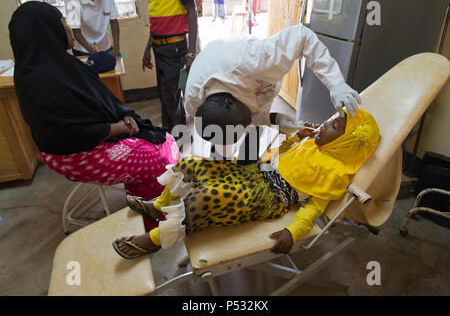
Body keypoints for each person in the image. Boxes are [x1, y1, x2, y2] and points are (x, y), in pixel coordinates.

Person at [112, 108, 379, 259]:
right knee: (191, 163)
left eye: (332, 127)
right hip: (255, 170)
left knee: (207, 197)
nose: (321, 126)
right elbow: (280, 156)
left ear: (347, 143)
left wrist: (293, 232)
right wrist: (294, 138)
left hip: (268, 196)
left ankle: (156, 238)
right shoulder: (311, 144)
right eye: (327, 119)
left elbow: (313, 209)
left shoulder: (335, 174)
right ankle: (160, 206)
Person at [9, 2, 180, 207]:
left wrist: (123, 115)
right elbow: (72, 133)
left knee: (164, 140)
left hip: (90, 140)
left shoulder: (59, 66)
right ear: (46, 30)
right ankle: (152, 213)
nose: (67, 27)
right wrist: (120, 126)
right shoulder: (41, 81)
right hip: (75, 155)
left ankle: (147, 201)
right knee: (161, 158)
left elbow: (102, 102)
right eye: (62, 21)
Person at [185, 23, 362, 164]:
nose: (249, 122)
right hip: (216, 68)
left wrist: (336, 83)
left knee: (252, 145)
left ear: (229, 102)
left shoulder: (256, 60)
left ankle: (249, 168)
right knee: (220, 158)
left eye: (247, 120)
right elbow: (238, 123)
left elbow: (302, 36)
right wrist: (275, 119)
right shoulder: (195, 102)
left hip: (238, 58)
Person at [142, 0, 198, 132]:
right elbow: (157, 22)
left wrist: (191, 54)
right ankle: (181, 134)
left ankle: (173, 139)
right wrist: (147, 48)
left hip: (174, 48)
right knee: (169, 96)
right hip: (158, 48)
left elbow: (192, 10)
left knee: (170, 98)